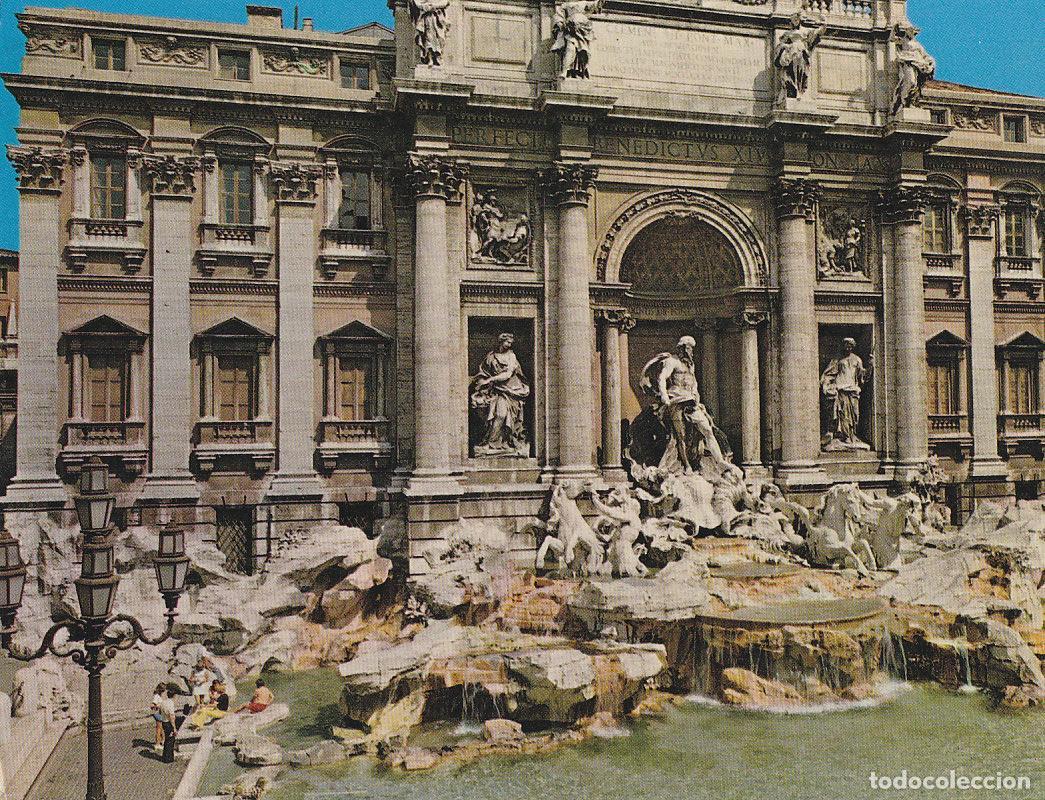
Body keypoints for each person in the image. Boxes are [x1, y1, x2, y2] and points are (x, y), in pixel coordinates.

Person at [641, 336, 726, 474]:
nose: (689, 351)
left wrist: (696, 396)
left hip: (691, 401)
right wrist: (663, 395)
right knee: (681, 436)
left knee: (707, 429)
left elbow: (694, 382)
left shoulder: (690, 364)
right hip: (675, 400)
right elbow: (662, 377)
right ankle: (687, 466)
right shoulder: (672, 361)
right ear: (681, 348)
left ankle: (720, 461)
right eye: (686, 348)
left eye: (691, 348)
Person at [470, 333, 531, 456]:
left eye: (511, 343)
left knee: (502, 415)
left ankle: (495, 443)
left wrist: (490, 380)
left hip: (512, 391)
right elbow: (483, 372)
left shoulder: (511, 356)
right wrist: (482, 382)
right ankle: (492, 443)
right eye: (507, 342)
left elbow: (508, 375)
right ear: (501, 341)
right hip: (496, 391)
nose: (509, 345)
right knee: (497, 415)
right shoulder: (491, 357)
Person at [820, 337, 872, 450]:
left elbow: (863, 376)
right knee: (842, 414)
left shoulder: (857, 359)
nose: (848, 347)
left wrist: (870, 365)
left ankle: (852, 435)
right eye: (846, 345)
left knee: (854, 414)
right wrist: (826, 384)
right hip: (841, 389)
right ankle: (845, 436)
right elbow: (829, 373)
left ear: (853, 346)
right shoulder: (838, 359)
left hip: (853, 390)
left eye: (850, 345)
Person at [551, 1, 604, 79]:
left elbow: (595, 6)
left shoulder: (585, 2)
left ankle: (584, 70)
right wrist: (560, 23)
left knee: (583, 51)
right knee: (570, 49)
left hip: (583, 29)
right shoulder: (565, 5)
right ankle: (565, 71)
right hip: (570, 29)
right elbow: (558, 16)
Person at [158, 687, 179, 763]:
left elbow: (160, 712)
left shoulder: (163, 702)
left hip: (164, 722)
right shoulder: (171, 704)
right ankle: (168, 758)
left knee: (167, 740)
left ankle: (165, 757)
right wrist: (174, 728)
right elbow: (171, 716)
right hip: (169, 723)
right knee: (170, 741)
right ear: (174, 695)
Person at [149, 683, 166, 749]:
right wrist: (158, 706)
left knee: (161, 729)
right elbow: (152, 706)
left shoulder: (159, 695)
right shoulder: (156, 696)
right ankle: (157, 744)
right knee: (159, 729)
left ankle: (162, 741)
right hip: (157, 714)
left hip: (160, 713)